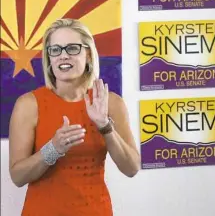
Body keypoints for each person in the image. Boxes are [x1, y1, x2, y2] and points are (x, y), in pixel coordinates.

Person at [9, 18, 140, 216]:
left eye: (72, 48)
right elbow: (18, 177)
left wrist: (105, 126)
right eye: (55, 50)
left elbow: (131, 168)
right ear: (49, 58)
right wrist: (53, 149)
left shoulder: (110, 103)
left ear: (88, 54)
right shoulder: (28, 104)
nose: (63, 56)